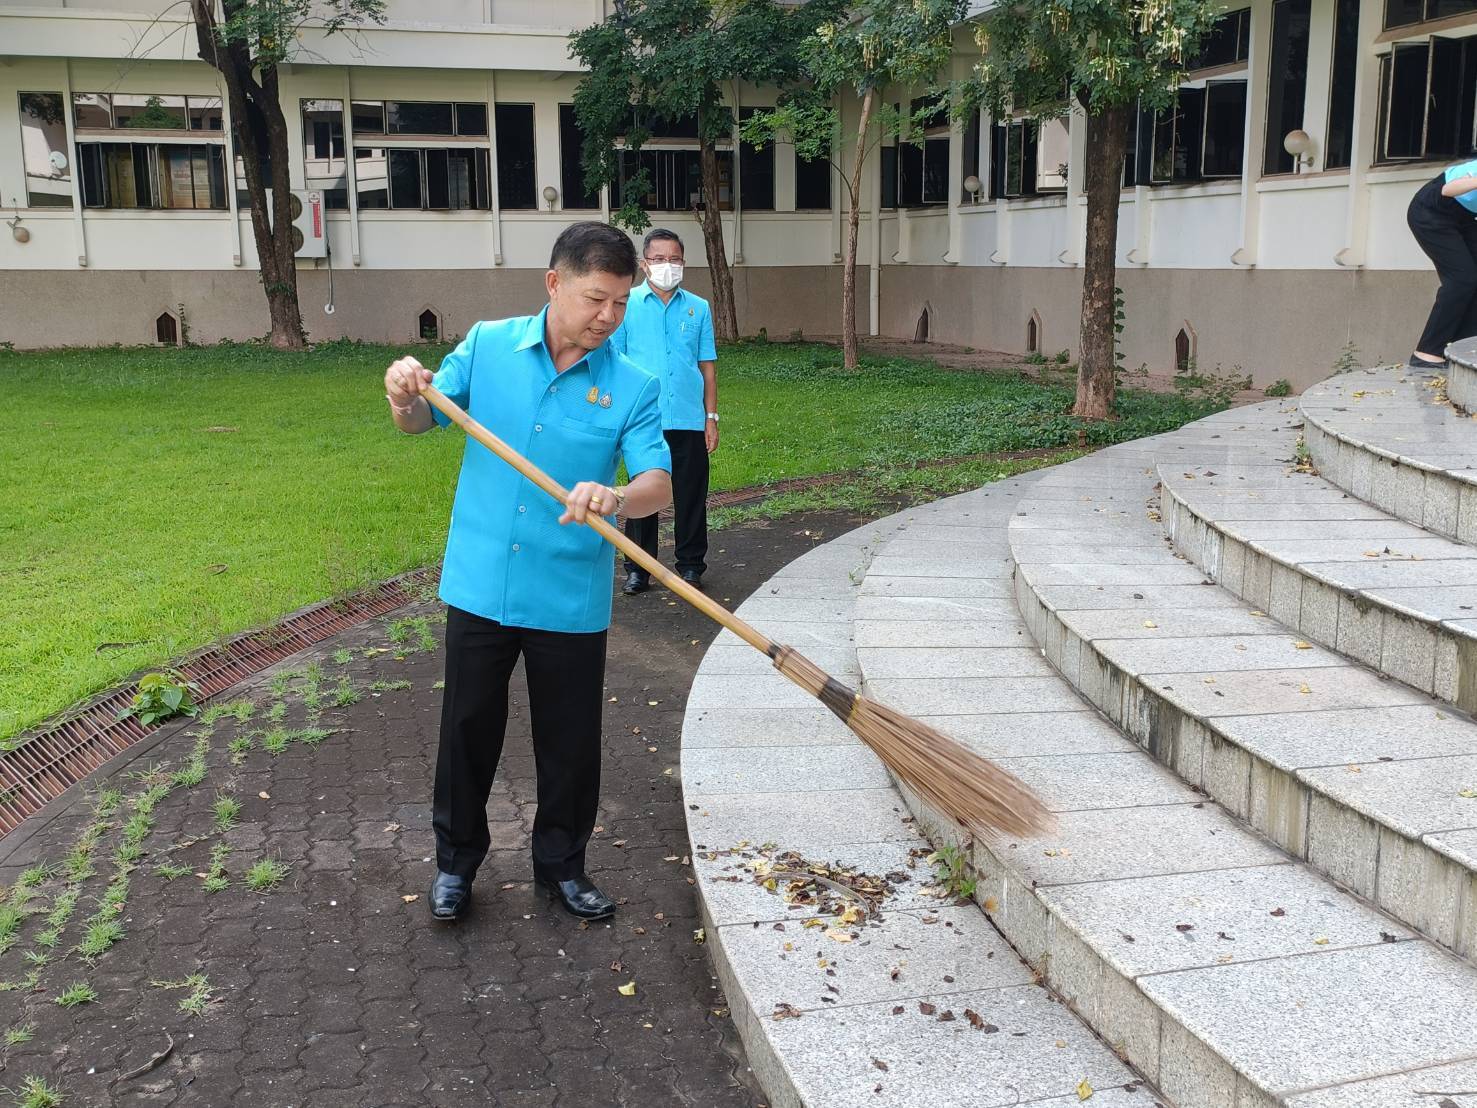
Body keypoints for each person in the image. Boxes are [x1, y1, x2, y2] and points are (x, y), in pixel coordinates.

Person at [382, 222, 672, 923]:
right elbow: (423, 418)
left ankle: (562, 868)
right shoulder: (487, 345)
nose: (607, 317)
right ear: (554, 284)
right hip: (481, 581)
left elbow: (659, 482)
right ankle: (455, 865)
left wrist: (618, 496)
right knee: (466, 729)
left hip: (568, 592)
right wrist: (403, 394)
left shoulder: (632, 385)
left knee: (569, 742)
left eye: (620, 304)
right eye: (595, 299)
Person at [612, 228, 719, 594]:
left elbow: (706, 367)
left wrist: (711, 416)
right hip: (644, 421)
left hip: (688, 417)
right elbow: (616, 364)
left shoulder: (698, 308)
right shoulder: (626, 308)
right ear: (644, 264)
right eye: (659, 259)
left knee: (691, 494)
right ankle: (639, 568)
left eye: (674, 259)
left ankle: (691, 565)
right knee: (643, 496)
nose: (667, 266)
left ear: (683, 263)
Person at [1408, 159, 1477, 368]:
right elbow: (1448, 189)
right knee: (1462, 279)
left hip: (1466, 218)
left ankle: (1460, 350)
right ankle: (1427, 353)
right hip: (1433, 211)